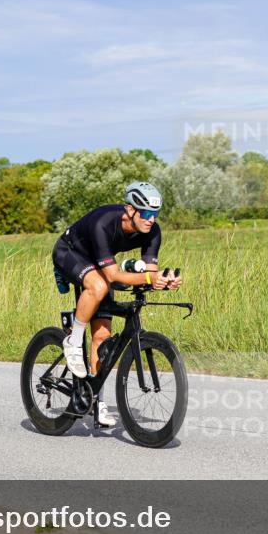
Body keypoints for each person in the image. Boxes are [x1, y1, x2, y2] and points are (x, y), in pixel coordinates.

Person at [51, 181, 183, 427]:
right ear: (129, 210)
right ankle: (73, 338)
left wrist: (163, 281)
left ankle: (95, 401)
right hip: (70, 252)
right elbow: (111, 277)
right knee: (99, 287)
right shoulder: (104, 222)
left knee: (102, 337)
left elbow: (149, 274)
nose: (150, 219)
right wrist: (147, 277)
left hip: (100, 262)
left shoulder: (153, 232)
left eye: (155, 214)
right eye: (145, 213)